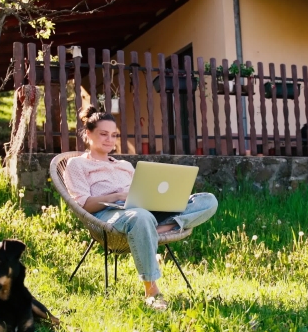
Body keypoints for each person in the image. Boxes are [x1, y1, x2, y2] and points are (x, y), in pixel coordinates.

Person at [63, 105, 218, 311]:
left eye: (113, 135)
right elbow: (84, 204)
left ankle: (158, 229)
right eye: (103, 134)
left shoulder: (125, 166)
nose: (109, 139)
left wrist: (159, 197)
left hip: (144, 209)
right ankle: (152, 291)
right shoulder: (77, 165)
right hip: (111, 214)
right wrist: (117, 196)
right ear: (88, 134)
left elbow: (142, 190)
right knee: (141, 217)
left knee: (208, 200)